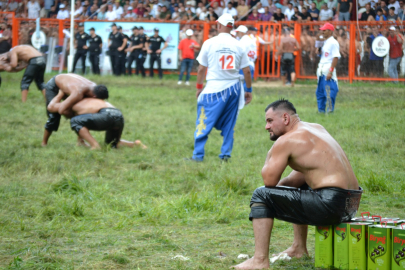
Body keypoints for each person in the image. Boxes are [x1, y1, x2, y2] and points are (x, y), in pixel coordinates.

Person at [233, 99, 362, 270]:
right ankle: (298, 248)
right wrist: (281, 190)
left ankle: (259, 261)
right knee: (298, 186)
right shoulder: (316, 128)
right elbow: (304, 173)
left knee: (260, 195)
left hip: (331, 204)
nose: (267, 127)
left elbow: (268, 182)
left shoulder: (287, 140)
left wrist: (271, 152)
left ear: (285, 118)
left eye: (270, 121)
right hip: (351, 203)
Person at [186, 14, 252, 162]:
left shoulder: (209, 43)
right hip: (234, 88)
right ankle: (225, 155)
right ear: (231, 27)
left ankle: (197, 155)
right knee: (230, 123)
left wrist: (198, 87)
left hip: (213, 88)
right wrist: (249, 90)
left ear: (218, 26)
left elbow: (201, 69)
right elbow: (246, 71)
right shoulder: (239, 44)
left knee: (203, 119)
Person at [47, 92, 147, 150]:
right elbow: (83, 120)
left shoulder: (76, 103)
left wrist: (60, 94)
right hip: (118, 115)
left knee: (75, 121)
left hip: (106, 115)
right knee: (112, 144)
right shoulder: (96, 100)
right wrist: (80, 141)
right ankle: (135, 144)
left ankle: (95, 145)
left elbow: (51, 107)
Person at [42, 74, 109, 146]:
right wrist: (72, 113)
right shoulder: (78, 93)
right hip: (54, 86)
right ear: (94, 96)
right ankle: (44, 143)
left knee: (82, 114)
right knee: (54, 116)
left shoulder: (95, 88)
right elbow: (61, 110)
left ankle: (80, 141)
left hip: (69, 84)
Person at [316, 23, 340, 113]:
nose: (322, 32)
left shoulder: (333, 42)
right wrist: (318, 44)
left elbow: (335, 57)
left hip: (327, 69)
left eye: (324, 30)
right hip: (321, 70)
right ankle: (321, 111)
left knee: (329, 92)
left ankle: (330, 111)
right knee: (320, 92)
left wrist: (331, 71)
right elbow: (319, 53)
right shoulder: (325, 42)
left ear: (330, 31)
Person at [236, 25, 258, 91]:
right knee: (247, 84)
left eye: (237, 32)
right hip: (251, 63)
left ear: (241, 32)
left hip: (244, 66)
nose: (237, 34)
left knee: (241, 87)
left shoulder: (242, 41)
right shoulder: (251, 40)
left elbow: (239, 54)